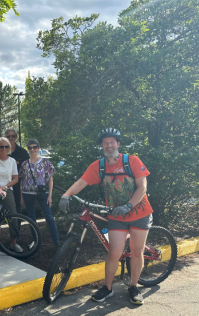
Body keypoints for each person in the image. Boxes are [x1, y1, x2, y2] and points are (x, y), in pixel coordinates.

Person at [59, 128, 153, 305]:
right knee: (114, 252)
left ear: (118, 144)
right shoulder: (99, 166)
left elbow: (142, 187)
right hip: (117, 215)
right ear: (102, 145)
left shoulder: (132, 161)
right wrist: (66, 195)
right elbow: (81, 182)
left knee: (136, 251)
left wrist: (128, 205)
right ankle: (107, 288)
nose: (109, 146)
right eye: (105, 143)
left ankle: (133, 287)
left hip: (139, 213)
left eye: (112, 142)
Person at [19, 139, 60, 249]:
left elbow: (50, 179)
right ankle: (36, 240)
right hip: (27, 193)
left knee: (49, 217)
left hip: (42, 194)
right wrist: (21, 196)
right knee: (31, 218)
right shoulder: (24, 164)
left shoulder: (46, 162)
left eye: (34, 147)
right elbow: (21, 180)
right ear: (28, 149)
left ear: (38, 148)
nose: (32, 149)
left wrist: (50, 196)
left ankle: (56, 242)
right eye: (30, 147)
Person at [0, 137, 21, 253]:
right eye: (1, 146)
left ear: (9, 147)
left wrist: (5, 187)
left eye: (6, 146)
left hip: (8, 190)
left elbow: (16, 178)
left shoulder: (12, 161)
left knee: (13, 215)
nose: (4, 149)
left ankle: (14, 242)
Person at [5, 129, 29, 214]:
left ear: (16, 137)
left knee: (18, 207)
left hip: (18, 184)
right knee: (5, 208)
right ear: (5, 138)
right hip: (4, 183)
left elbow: (27, 169)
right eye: (8, 136)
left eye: (13, 136)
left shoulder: (22, 152)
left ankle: (17, 227)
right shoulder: (2, 151)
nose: (11, 138)